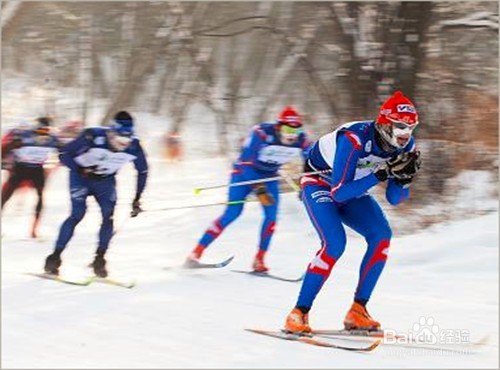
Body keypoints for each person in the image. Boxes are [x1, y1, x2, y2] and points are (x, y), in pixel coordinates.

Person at [284, 91, 422, 333]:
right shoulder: (354, 138)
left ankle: (358, 311)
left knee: (382, 236)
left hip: (353, 189)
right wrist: (380, 174)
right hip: (321, 184)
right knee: (335, 244)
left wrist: (405, 178)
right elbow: (338, 192)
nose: (406, 134)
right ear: (385, 123)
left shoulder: (405, 145)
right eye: (400, 126)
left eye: (411, 127)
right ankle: (298, 313)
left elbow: (394, 198)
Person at [187, 106, 312, 272]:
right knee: (232, 213)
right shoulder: (261, 133)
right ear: (279, 126)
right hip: (243, 174)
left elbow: (311, 159)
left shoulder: (301, 139)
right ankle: (196, 253)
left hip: (269, 177)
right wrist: (259, 188)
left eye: (296, 131)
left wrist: (306, 183)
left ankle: (259, 259)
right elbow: (246, 163)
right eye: (288, 129)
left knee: (271, 218)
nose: (291, 135)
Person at [43, 111, 148, 278]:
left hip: (105, 182)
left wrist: (137, 198)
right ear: (111, 132)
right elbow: (63, 154)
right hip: (81, 178)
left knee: (109, 217)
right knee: (77, 214)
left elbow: (142, 170)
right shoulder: (93, 136)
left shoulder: (134, 147)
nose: (123, 145)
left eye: (126, 141)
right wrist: (80, 169)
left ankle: (99, 260)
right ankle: (54, 258)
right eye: (119, 140)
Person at [1, 117, 60, 238]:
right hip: (20, 168)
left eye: (46, 131)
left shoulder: (52, 139)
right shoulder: (25, 136)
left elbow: (65, 150)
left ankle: (34, 230)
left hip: (37, 169)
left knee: (40, 197)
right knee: (4, 197)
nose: (43, 134)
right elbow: (4, 148)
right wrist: (9, 151)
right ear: (35, 129)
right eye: (40, 131)